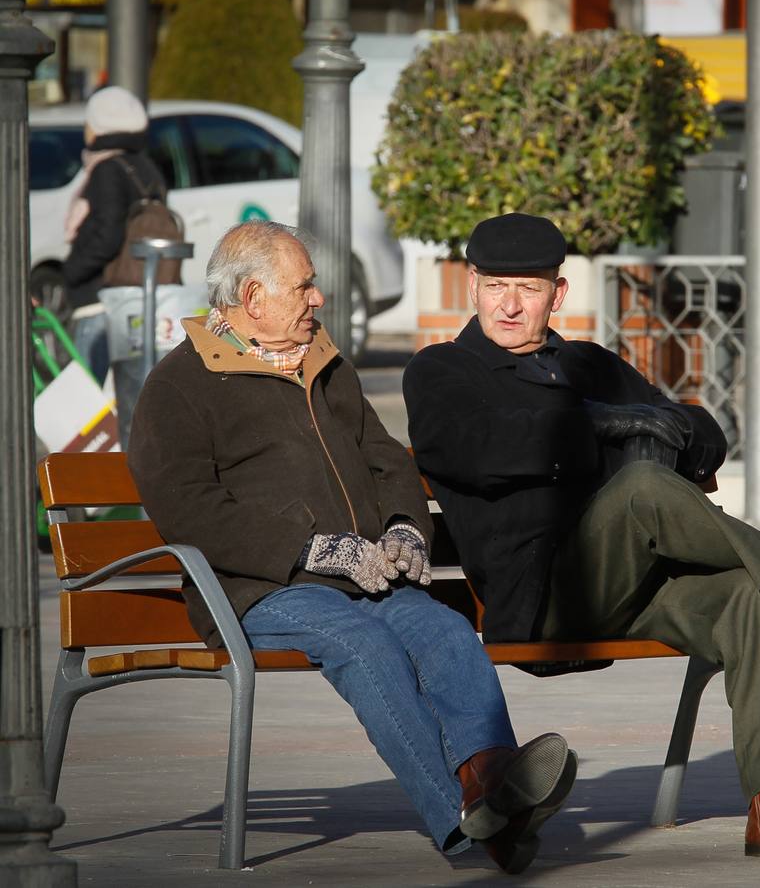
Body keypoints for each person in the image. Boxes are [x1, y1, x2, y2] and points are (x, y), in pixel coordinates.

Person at [403, 212, 760, 860]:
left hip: (633, 585)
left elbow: (704, 432)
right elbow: (491, 448)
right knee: (644, 487)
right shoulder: (442, 371)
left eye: (530, 288)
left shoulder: (586, 364)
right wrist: (602, 425)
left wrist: (650, 422)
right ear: (473, 286)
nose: (510, 304)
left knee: (751, 593)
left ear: (559, 295)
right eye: (496, 287)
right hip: (539, 598)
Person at [127, 221, 575, 874]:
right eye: (305, 287)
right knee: (365, 646)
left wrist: (402, 527)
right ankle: (465, 817)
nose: (318, 300)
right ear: (253, 298)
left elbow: (385, 457)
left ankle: (493, 786)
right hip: (261, 586)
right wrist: (308, 549)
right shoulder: (181, 385)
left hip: (364, 575)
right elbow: (187, 509)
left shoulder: (322, 363)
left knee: (446, 632)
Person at [60, 86, 168, 382]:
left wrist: (69, 273)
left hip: (100, 297)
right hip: (137, 294)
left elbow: (107, 235)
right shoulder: (145, 167)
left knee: (89, 401)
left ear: (98, 127)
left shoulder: (106, 168)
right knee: (128, 392)